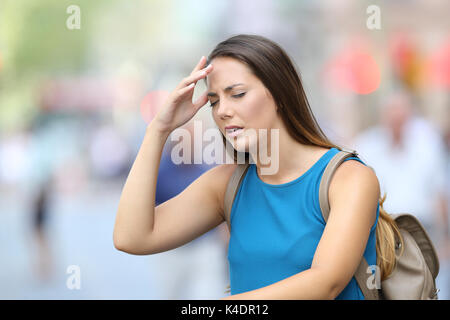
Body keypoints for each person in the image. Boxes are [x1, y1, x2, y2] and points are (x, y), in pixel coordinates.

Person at [113, 34, 398, 300]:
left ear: (279, 95)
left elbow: (325, 282)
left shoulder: (348, 178)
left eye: (236, 94)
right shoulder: (226, 185)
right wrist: (158, 130)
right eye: (214, 101)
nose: (222, 110)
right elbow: (131, 237)